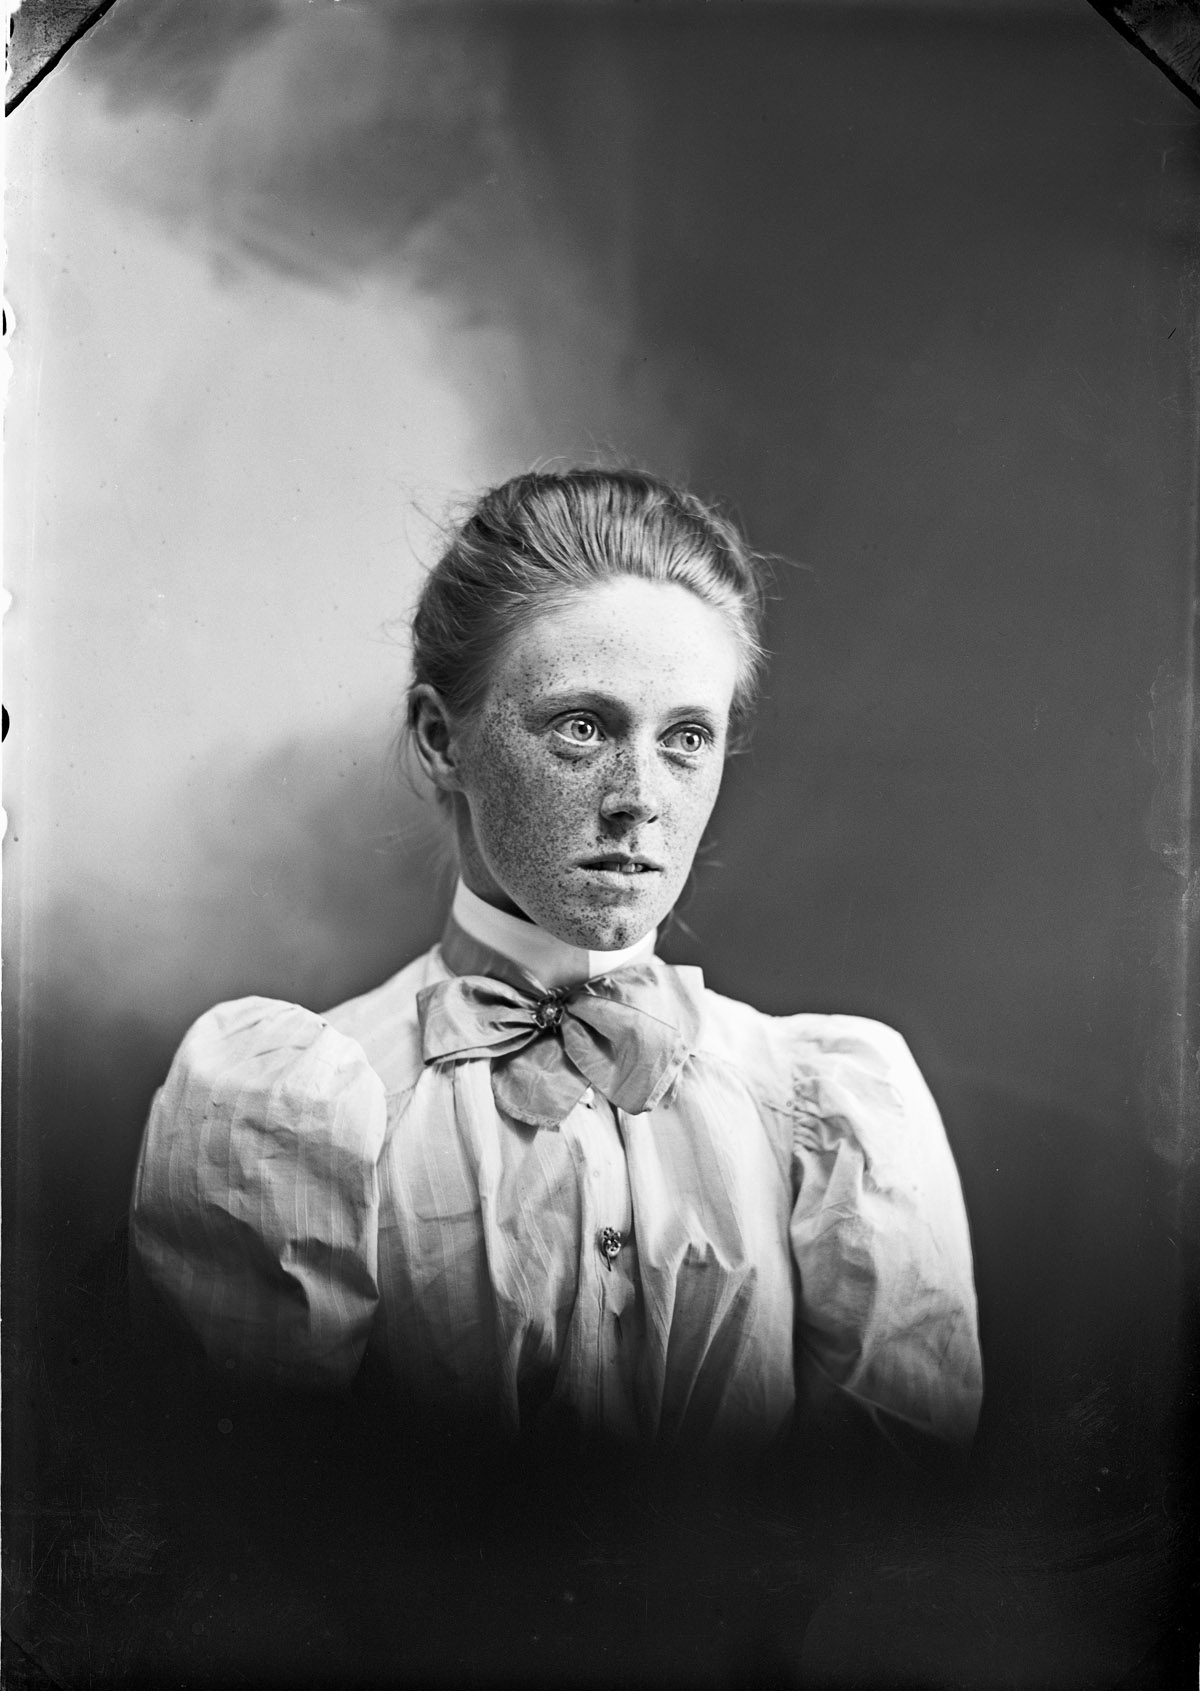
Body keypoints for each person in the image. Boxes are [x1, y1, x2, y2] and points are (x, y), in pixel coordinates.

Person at [129, 467, 982, 1457]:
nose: (640, 797)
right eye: (582, 727)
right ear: (441, 737)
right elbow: (245, 1509)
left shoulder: (825, 1108)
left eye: (686, 737)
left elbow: (896, 1519)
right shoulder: (287, 1113)